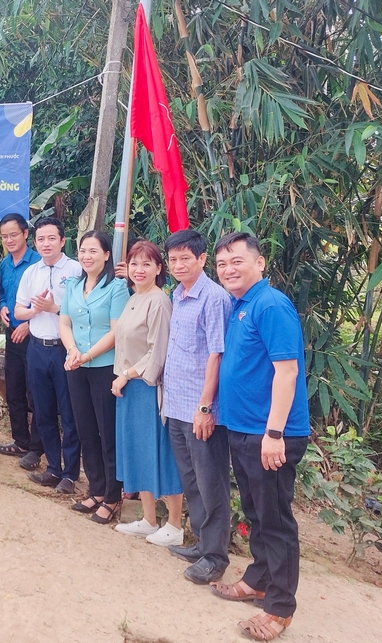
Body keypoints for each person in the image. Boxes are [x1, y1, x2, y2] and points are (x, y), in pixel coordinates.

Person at [210, 232, 310, 642]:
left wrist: (274, 433)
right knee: (257, 513)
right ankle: (259, 580)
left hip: (270, 435)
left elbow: (287, 372)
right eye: (222, 264)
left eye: (237, 261)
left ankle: (280, 609)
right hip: (244, 429)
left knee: (276, 521)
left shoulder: (271, 305)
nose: (228, 270)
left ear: (259, 263)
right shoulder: (240, 305)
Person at [159, 229, 233, 585]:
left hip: (200, 410)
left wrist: (206, 408)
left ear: (202, 260)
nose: (178, 265)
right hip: (176, 405)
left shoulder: (214, 298)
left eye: (185, 258)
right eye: (173, 259)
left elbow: (216, 354)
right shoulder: (178, 293)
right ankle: (203, 544)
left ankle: (216, 558)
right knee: (191, 480)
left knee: (211, 482)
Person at [111, 241, 184, 546]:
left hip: (146, 387)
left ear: (158, 268)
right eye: (134, 264)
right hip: (128, 386)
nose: (139, 270)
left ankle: (175, 525)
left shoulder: (159, 301)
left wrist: (126, 375)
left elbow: (158, 352)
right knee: (138, 450)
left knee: (159, 451)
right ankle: (148, 519)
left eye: (146, 264)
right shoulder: (134, 298)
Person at [59, 230, 129, 524]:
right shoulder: (73, 285)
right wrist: (72, 350)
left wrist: (87, 355)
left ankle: (112, 496)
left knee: (107, 433)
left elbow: (116, 332)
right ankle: (96, 489)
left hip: (104, 368)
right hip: (76, 366)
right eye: (83, 251)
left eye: (93, 251)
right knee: (85, 429)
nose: (87, 256)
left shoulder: (117, 287)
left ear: (106, 255)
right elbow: (64, 323)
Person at [14, 217, 80, 488]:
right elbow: (19, 311)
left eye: (51, 238)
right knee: (43, 411)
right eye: (40, 239)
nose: (46, 244)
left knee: (70, 413)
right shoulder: (31, 272)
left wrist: (54, 309)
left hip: (65, 350)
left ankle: (70, 473)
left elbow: (85, 311)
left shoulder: (76, 269)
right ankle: (53, 468)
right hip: (37, 349)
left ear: (62, 241)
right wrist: (35, 311)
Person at [0, 213, 44, 462]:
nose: (9, 240)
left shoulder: (39, 263)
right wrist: (2, 306)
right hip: (12, 333)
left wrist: (28, 323)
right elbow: (2, 292)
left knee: (35, 393)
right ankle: (20, 441)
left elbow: (48, 301)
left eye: (13, 234)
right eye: (4, 236)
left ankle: (37, 447)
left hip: (34, 336)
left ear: (25, 234)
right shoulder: (5, 264)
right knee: (13, 389)